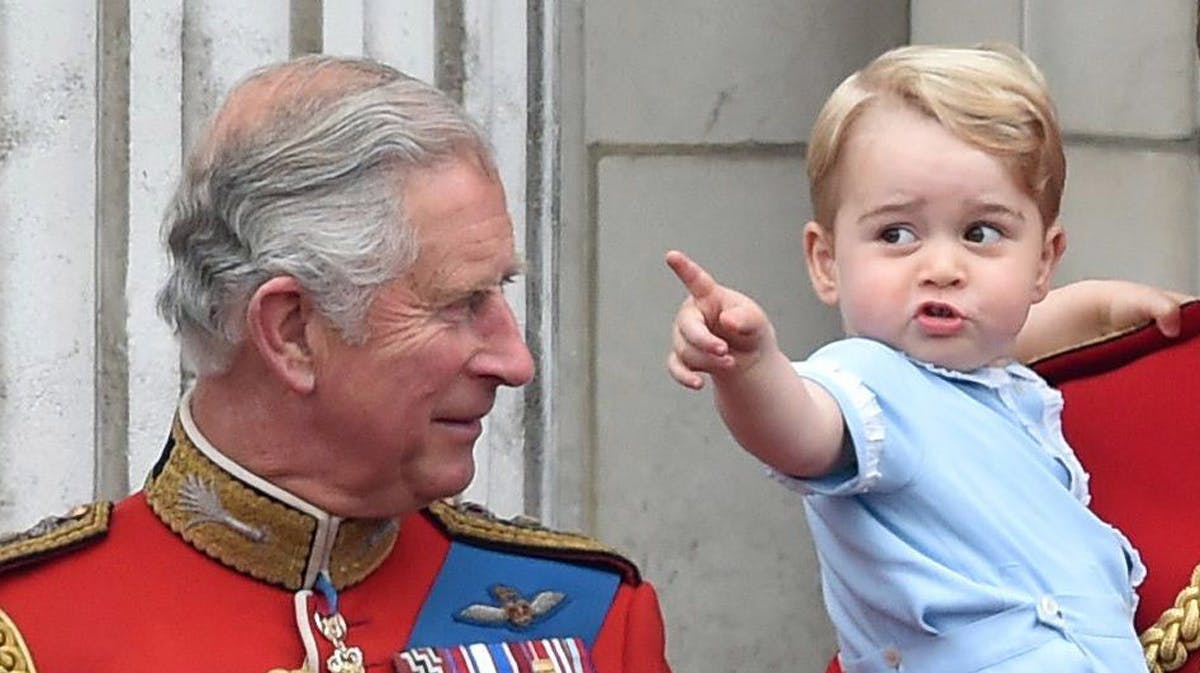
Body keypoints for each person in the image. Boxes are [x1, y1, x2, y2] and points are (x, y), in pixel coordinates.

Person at [0, 55, 671, 673]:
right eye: (461, 303)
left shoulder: (590, 618)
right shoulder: (31, 631)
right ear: (291, 330)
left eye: (500, 291)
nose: (515, 360)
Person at [666, 43, 1186, 672]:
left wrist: (1101, 307)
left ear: (1043, 261)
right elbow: (797, 429)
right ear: (826, 262)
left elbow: (1010, 339)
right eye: (897, 234)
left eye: (981, 234)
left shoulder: (983, 376)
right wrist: (747, 368)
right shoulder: (863, 381)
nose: (941, 268)